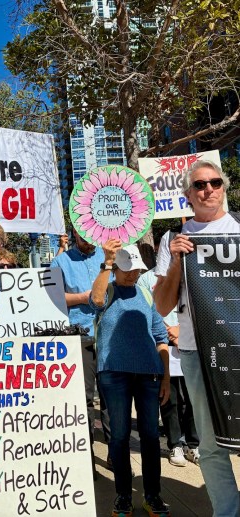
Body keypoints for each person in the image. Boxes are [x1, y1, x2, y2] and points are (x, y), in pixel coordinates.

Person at [154, 159, 240, 517]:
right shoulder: (173, 239)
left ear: (225, 188)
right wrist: (175, 262)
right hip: (197, 353)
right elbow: (161, 305)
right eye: (200, 185)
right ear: (188, 195)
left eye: (215, 183)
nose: (208, 190)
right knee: (210, 443)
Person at [91, 241, 171, 517]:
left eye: (136, 269)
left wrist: (166, 378)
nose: (132, 274)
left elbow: (161, 339)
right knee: (120, 436)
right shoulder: (108, 287)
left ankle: (153, 496)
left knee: (150, 437)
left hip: (149, 374)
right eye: (127, 269)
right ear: (116, 268)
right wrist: (108, 263)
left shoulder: (146, 294)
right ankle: (123, 496)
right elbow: (95, 300)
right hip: (113, 373)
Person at [50, 228, 111, 475]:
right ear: (74, 232)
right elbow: (53, 297)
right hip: (79, 337)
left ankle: (116, 454)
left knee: (111, 400)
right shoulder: (60, 261)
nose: (87, 237)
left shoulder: (109, 257)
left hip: (109, 336)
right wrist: (84, 297)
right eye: (82, 233)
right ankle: (86, 458)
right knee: (83, 400)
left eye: (91, 233)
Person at [138, 268, 199, 468]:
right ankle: (175, 444)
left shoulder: (191, 273)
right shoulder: (146, 278)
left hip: (190, 342)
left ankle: (193, 443)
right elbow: (145, 309)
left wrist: (181, 331)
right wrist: (169, 332)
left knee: (192, 398)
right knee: (169, 398)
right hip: (165, 345)